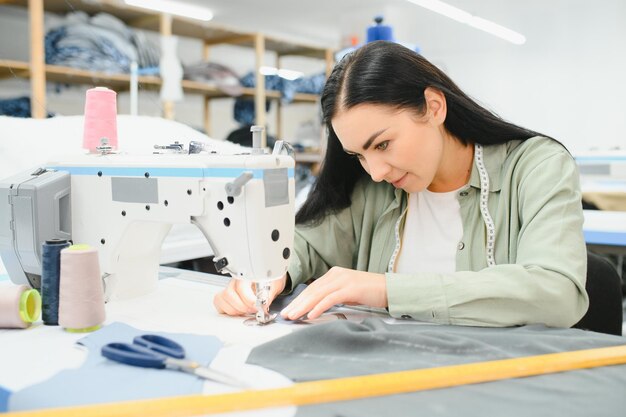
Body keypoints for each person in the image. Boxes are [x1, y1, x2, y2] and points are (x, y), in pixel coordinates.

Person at [214, 40, 589, 328]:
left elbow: (557, 292)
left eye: (382, 144)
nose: (375, 170)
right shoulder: (375, 188)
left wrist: (386, 290)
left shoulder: (536, 166)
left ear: (433, 107)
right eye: (359, 155)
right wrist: (269, 273)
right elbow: (307, 242)